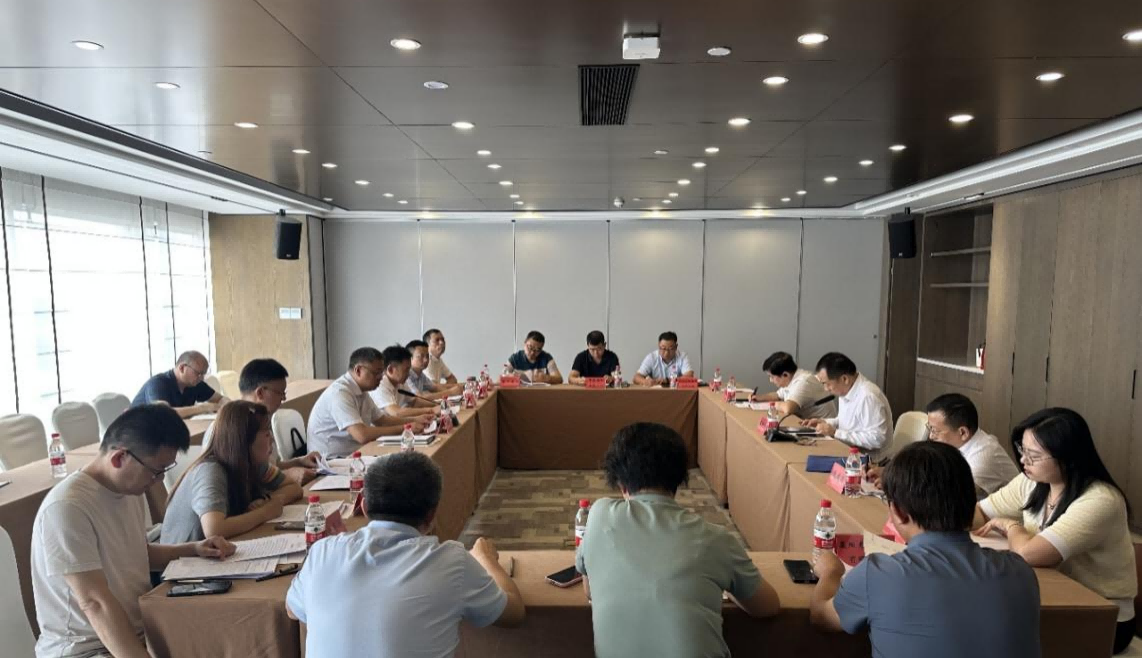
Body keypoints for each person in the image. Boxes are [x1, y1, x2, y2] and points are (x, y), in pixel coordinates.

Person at [31, 405, 235, 658]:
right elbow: (94, 602)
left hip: (137, 630)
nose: (158, 480)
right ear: (119, 458)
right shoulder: (67, 507)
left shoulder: (129, 489)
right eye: (156, 471)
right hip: (86, 648)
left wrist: (193, 549)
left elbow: (135, 554)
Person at [810, 441, 1041, 657]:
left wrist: (831, 572)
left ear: (899, 512)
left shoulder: (878, 574)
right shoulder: (1021, 573)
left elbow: (821, 616)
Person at [287, 451, 525, 656]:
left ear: (364, 507)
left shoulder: (323, 551)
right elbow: (514, 613)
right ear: (432, 515)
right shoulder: (451, 562)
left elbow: (292, 609)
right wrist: (486, 559)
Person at [576, 422, 780, 657]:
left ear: (620, 483)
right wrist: (729, 582)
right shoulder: (717, 540)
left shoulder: (598, 515)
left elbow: (589, 590)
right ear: (680, 479)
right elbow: (768, 606)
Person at [974, 408, 1137, 654]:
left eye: (1033, 455)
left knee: (989, 633)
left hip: (1103, 617)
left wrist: (1011, 526)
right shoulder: (1033, 481)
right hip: (1050, 595)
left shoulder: (1100, 500)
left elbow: (1030, 554)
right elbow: (981, 513)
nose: (1023, 461)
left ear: (1068, 457)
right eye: (1022, 450)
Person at [160, 401, 304, 544]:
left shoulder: (253, 463)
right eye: (266, 434)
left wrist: (269, 501)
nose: (272, 439)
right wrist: (265, 512)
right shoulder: (210, 470)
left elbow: (294, 488)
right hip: (184, 556)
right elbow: (214, 529)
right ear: (244, 440)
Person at [868, 394, 1017, 497]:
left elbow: (948, 495)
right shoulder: (957, 444)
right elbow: (932, 473)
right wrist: (892, 473)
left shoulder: (984, 456)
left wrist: (899, 484)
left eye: (935, 430)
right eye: (930, 428)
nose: (931, 436)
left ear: (963, 432)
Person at [308, 348, 431, 458]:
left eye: (382, 373)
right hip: (333, 460)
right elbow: (362, 435)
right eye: (376, 373)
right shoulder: (340, 393)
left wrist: (415, 420)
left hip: (355, 453)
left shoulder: (362, 391)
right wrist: (405, 428)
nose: (381, 377)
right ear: (358, 370)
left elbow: (382, 421)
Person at [233, 358, 322, 484]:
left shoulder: (262, 419)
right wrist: (288, 475)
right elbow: (242, 479)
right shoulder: (234, 426)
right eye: (280, 393)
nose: (283, 398)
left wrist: (300, 461)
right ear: (260, 393)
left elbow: (272, 466)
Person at [803, 352, 892, 461]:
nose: (826, 389)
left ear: (844, 379)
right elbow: (846, 422)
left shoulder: (868, 397)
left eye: (827, 384)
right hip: (849, 454)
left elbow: (877, 439)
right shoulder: (847, 389)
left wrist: (835, 432)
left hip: (871, 463)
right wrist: (825, 422)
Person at [131, 350, 227, 419]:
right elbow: (163, 413)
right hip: (137, 433)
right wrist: (202, 408)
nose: (201, 378)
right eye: (198, 373)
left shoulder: (195, 383)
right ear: (182, 368)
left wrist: (228, 407)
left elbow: (220, 399)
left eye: (203, 374)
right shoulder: (158, 383)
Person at [752, 351, 837, 419]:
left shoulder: (804, 381)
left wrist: (769, 405)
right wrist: (759, 398)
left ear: (785, 375)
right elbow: (777, 395)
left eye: (772, 377)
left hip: (823, 429)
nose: (770, 380)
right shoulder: (791, 379)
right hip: (807, 423)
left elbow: (788, 408)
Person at [370, 344, 438, 418]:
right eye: (406, 370)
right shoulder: (380, 384)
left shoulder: (400, 382)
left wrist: (438, 404)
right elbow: (396, 412)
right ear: (390, 369)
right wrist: (431, 410)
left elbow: (414, 402)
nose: (408, 374)